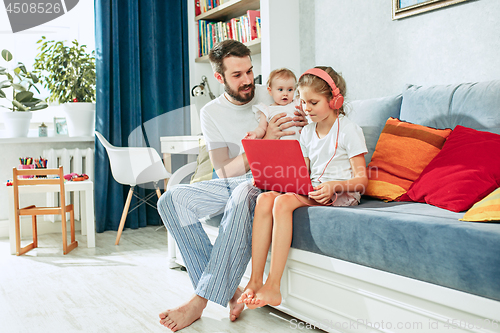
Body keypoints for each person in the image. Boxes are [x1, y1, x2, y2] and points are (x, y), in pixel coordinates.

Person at [156, 39, 307, 332]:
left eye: (250, 71)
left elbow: (310, 111)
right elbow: (223, 170)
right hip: (233, 180)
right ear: (219, 77)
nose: (248, 81)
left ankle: (199, 300)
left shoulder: (275, 93)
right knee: (171, 200)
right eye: (237, 75)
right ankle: (228, 292)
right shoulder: (210, 113)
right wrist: (264, 143)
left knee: (242, 191)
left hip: (266, 181)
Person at [237, 66, 369, 309]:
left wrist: (333, 186)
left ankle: (274, 285)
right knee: (266, 199)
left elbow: (362, 181)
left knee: (284, 202)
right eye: (303, 101)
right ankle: (255, 280)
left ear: (334, 100)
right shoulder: (307, 132)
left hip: (342, 193)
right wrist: (271, 177)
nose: (306, 108)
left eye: (313, 102)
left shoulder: (349, 129)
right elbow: (301, 174)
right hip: (315, 188)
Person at [245, 68, 302, 140]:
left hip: (300, 145)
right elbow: (262, 128)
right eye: (280, 89)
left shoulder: (296, 104)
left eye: (290, 90)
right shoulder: (267, 110)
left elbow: (309, 113)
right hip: (278, 147)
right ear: (270, 91)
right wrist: (255, 134)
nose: (285, 94)